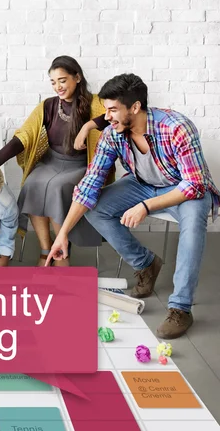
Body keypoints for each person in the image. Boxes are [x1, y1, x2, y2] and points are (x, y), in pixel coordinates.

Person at [47, 73, 220, 339]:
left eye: (113, 109)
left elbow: (195, 184)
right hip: (142, 183)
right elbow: (89, 186)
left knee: (194, 223)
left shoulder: (176, 127)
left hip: (182, 189)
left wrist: (146, 207)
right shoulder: (112, 133)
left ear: (135, 107)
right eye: (106, 109)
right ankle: (146, 264)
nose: (107, 116)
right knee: (96, 207)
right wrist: (62, 236)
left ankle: (180, 308)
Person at [0, 55, 113, 266]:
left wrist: (87, 126)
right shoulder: (47, 106)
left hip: (82, 165)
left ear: (77, 77)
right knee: (32, 183)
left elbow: (113, 114)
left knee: (57, 188)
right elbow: (24, 136)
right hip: (51, 162)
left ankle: (62, 252)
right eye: (53, 82)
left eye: (62, 80)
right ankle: (46, 250)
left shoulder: (97, 102)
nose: (58, 86)